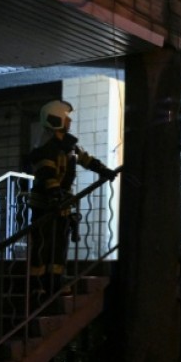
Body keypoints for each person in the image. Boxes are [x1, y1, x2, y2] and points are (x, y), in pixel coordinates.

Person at [26, 99, 117, 294]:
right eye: (67, 118)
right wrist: (55, 195)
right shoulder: (45, 147)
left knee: (59, 246)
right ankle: (37, 287)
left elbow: (86, 159)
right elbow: (48, 175)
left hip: (62, 204)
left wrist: (104, 170)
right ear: (56, 119)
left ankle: (55, 283)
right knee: (43, 246)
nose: (70, 122)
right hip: (44, 206)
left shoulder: (69, 146)